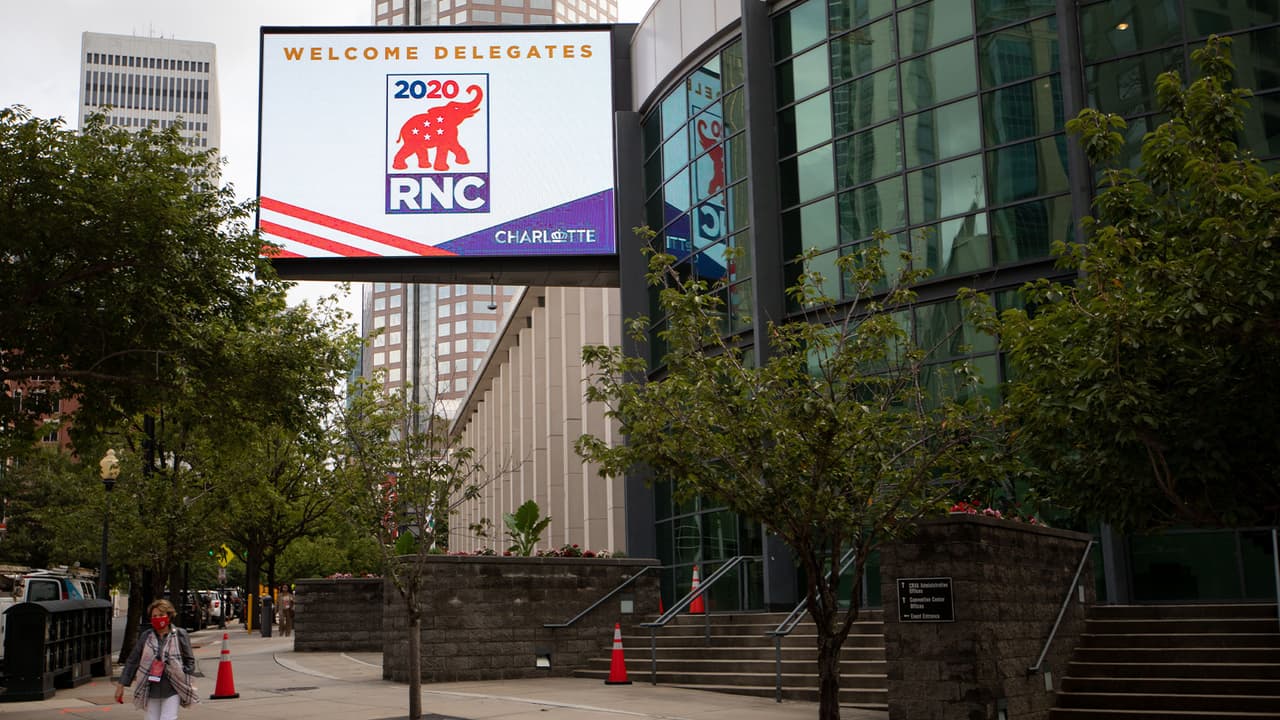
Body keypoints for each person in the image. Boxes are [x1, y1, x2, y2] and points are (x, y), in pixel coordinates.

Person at [116, 599, 199, 719]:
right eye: (154, 616)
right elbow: (132, 660)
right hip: (151, 688)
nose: (158, 618)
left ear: (169, 616)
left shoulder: (180, 634)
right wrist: (121, 685)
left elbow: (189, 660)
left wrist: (183, 673)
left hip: (173, 687)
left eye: (161, 615)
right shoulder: (146, 636)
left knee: (168, 718)